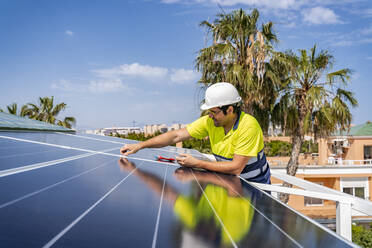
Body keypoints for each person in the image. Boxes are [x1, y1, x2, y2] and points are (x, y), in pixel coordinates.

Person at [120, 82, 271, 184]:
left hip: (255, 187)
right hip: (229, 182)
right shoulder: (210, 122)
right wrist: (140, 145)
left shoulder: (248, 126)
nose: (210, 115)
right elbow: (176, 135)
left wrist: (197, 163)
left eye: (214, 111)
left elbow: (235, 168)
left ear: (230, 110)